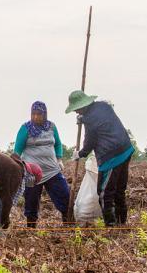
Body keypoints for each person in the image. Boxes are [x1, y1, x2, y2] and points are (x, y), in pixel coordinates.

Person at [66, 89, 135, 228]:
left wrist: (80, 154)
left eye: (77, 109)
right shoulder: (104, 106)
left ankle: (111, 226)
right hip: (126, 149)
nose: (76, 112)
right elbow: (99, 117)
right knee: (119, 190)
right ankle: (122, 223)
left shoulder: (89, 119)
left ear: (83, 106)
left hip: (112, 156)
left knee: (104, 194)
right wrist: (83, 119)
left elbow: (89, 143)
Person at [12, 101, 70, 226]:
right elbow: (17, 151)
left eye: (39, 114)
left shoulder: (51, 127)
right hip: (32, 173)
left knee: (65, 195)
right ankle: (31, 226)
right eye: (33, 114)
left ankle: (68, 223)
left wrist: (59, 159)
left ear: (45, 114)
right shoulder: (25, 128)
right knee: (31, 200)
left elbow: (58, 144)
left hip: (52, 170)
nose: (36, 117)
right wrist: (16, 167)